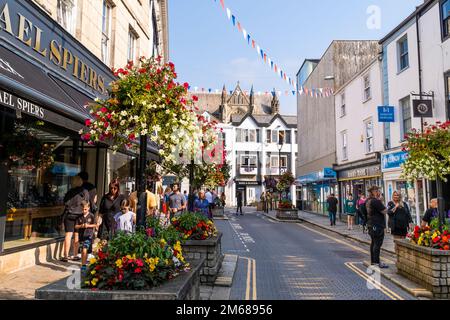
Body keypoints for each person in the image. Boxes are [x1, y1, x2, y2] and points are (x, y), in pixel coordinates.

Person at [61, 175, 90, 262]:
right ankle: (75, 255)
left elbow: (65, 203)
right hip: (79, 216)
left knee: (68, 235)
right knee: (76, 235)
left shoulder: (70, 192)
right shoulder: (84, 191)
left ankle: (65, 255)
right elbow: (87, 203)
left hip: (69, 215)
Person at [366, 186, 388, 268]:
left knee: (373, 243)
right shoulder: (376, 201)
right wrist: (382, 202)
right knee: (377, 243)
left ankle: (373, 261)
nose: (379, 192)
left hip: (370, 224)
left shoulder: (368, 201)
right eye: (378, 191)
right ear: (374, 192)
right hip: (377, 225)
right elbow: (384, 211)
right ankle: (376, 262)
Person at [75, 201, 97, 270]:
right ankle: (83, 263)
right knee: (83, 251)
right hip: (81, 236)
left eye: (85, 209)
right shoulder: (79, 217)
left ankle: (83, 265)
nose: (84, 211)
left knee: (84, 250)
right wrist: (81, 226)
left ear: (88, 208)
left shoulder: (91, 216)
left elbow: (95, 224)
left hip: (88, 235)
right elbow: (76, 226)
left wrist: (88, 225)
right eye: (82, 209)